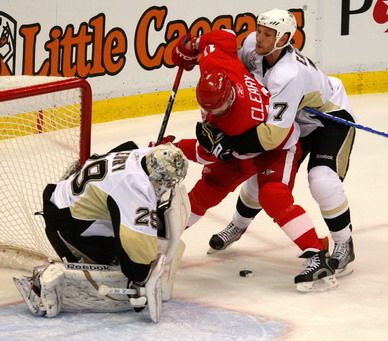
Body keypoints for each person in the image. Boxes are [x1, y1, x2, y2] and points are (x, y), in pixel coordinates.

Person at [170, 28, 337, 292]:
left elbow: (213, 154)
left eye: (218, 108)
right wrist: (194, 44)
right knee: (203, 194)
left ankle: (318, 254)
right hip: (237, 145)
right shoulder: (216, 66)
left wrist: (173, 149)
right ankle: (158, 241)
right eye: (207, 108)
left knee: (272, 195)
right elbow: (224, 34)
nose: (212, 112)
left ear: (230, 98)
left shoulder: (242, 117)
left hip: (274, 146)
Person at [203, 9, 357, 278]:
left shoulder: (287, 75)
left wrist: (230, 141)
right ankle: (238, 225)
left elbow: (272, 135)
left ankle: (344, 243)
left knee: (322, 179)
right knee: (265, 178)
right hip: (294, 121)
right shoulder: (253, 46)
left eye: (267, 34)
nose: (259, 37)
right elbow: (231, 71)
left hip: (329, 121)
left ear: (284, 38)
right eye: (259, 30)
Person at [13, 141, 190, 323]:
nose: (168, 184)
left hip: (65, 200)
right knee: (123, 264)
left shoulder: (145, 155)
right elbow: (138, 248)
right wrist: (139, 278)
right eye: (166, 180)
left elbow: (124, 147)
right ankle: (41, 284)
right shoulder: (134, 188)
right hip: (67, 230)